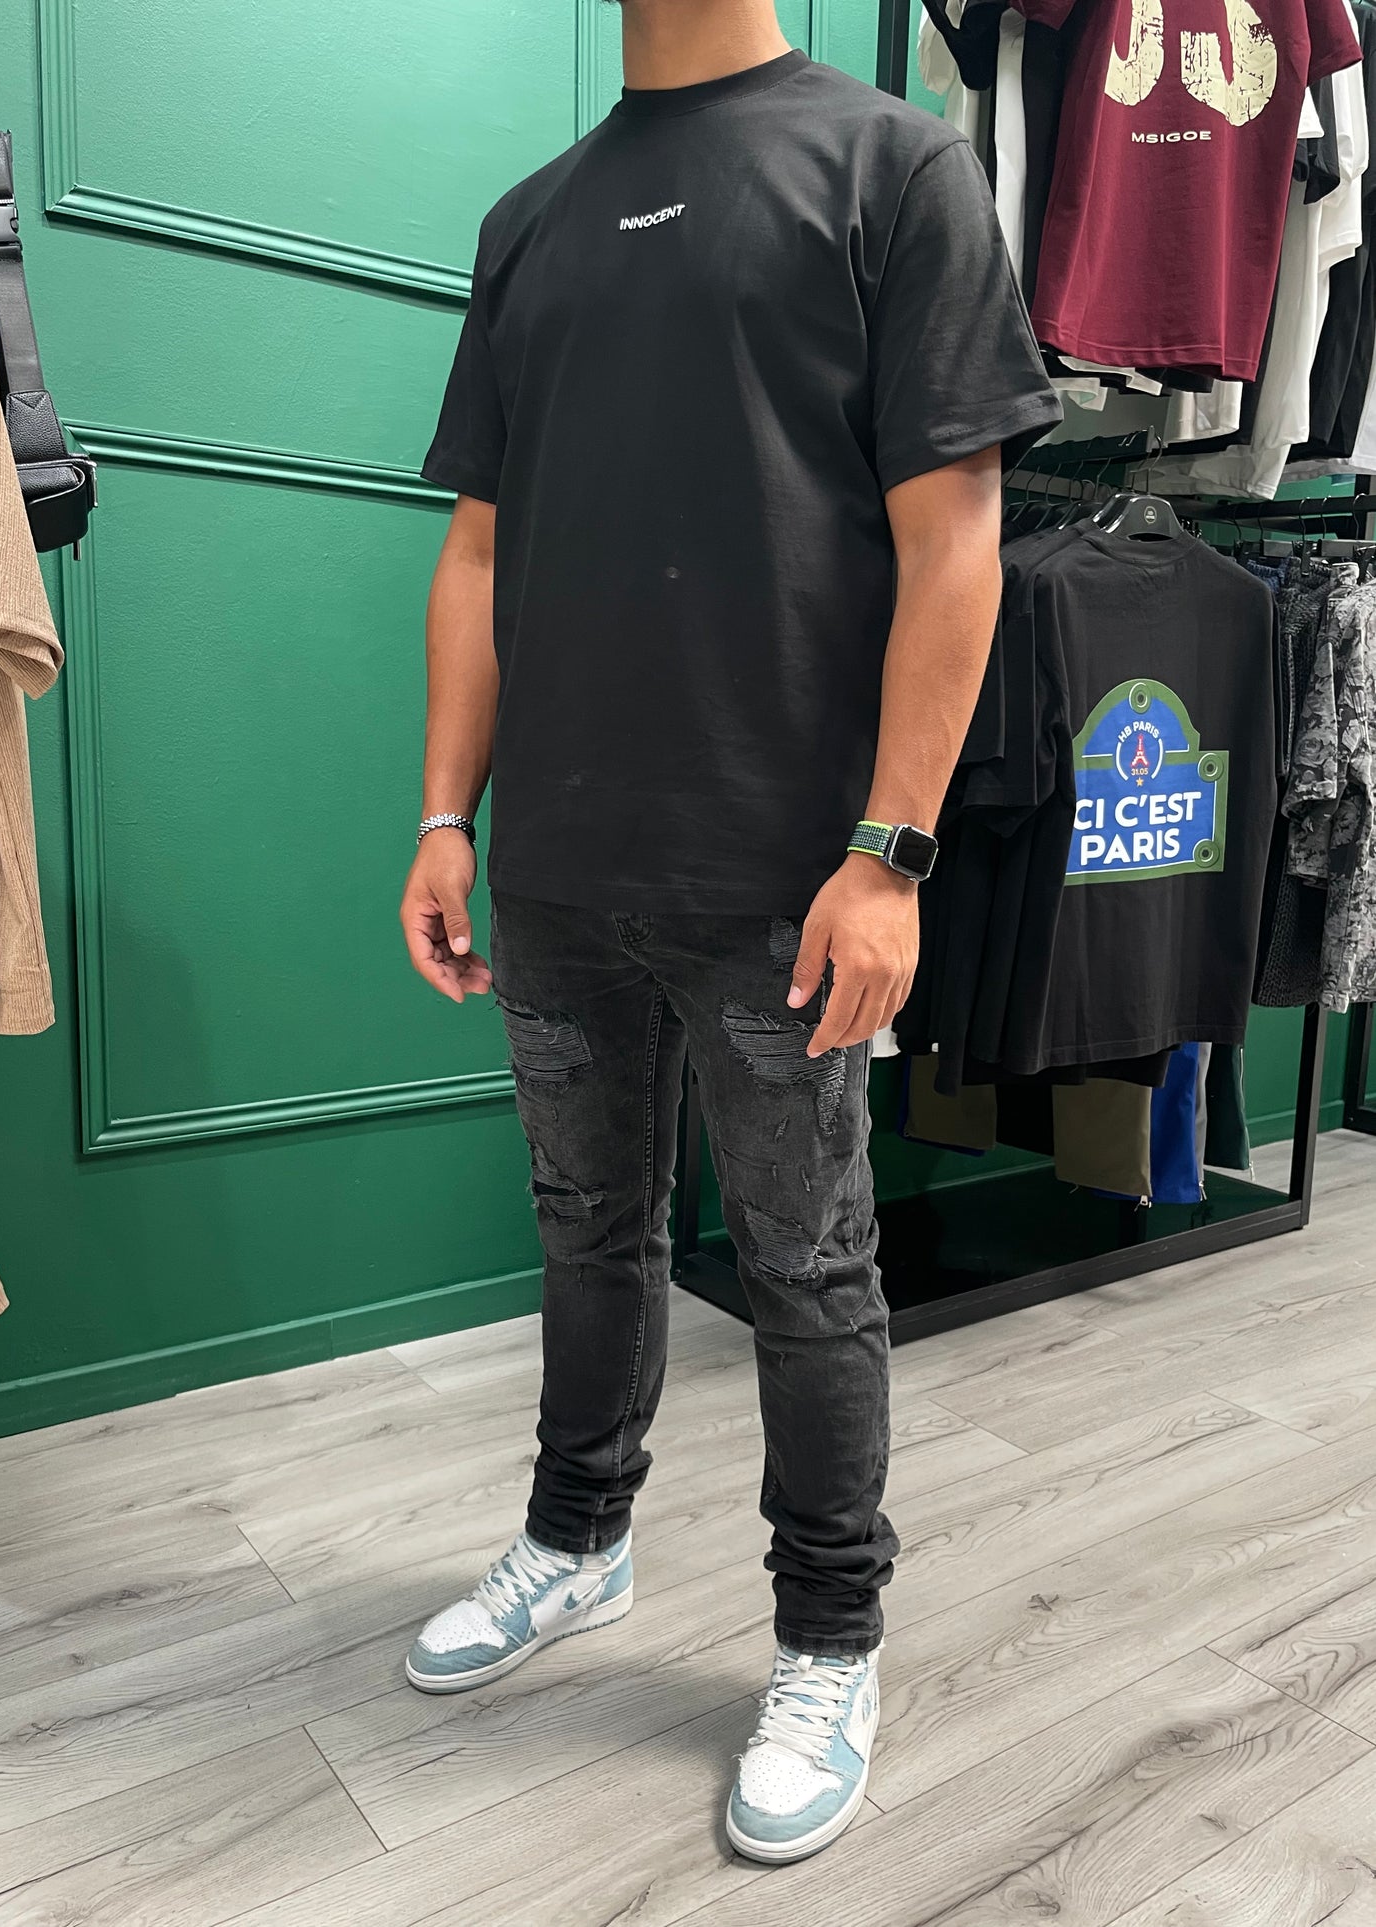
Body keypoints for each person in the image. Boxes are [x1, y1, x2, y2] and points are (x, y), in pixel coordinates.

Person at [399, 0, 1060, 1865]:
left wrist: (890, 854)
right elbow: (477, 549)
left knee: (806, 1264)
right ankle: (576, 1541)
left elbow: (957, 533)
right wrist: (446, 814)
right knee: (584, 1228)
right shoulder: (529, 219)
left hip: (783, 870)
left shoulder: (892, 165)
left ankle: (829, 1639)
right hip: (558, 863)